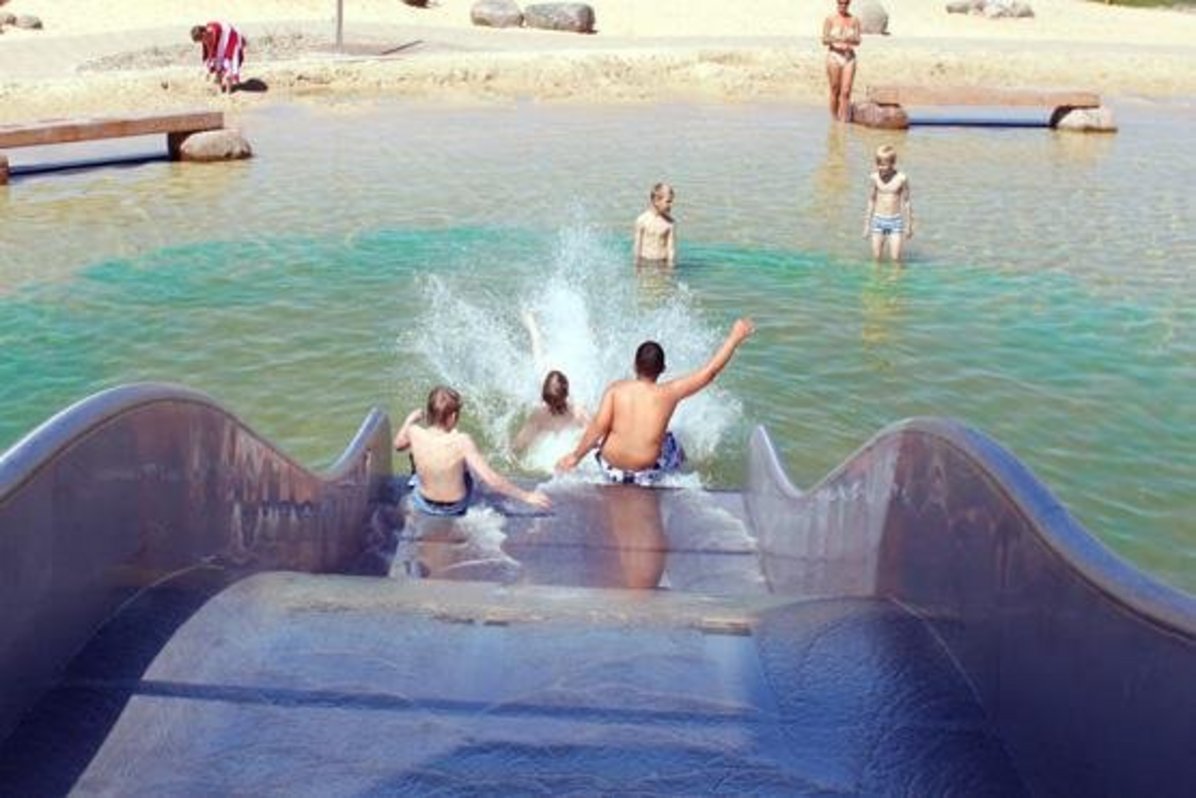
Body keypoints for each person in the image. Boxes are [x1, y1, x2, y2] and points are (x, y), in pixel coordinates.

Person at [556, 318, 756, 485]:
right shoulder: (669, 393)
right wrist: (734, 337)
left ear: (634, 365)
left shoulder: (616, 390)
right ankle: (683, 475)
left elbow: (599, 426)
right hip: (645, 475)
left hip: (611, 469)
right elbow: (709, 372)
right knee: (672, 442)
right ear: (663, 369)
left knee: (602, 429)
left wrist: (575, 457)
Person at [395, 385, 551, 516]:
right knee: (469, 466)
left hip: (423, 503)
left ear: (429, 412)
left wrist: (410, 420)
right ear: (453, 417)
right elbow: (492, 480)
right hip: (454, 508)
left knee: (416, 465)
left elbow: (398, 445)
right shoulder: (462, 440)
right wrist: (526, 496)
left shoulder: (414, 432)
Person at [513, 310, 591, 455]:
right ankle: (530, 320)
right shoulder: (542, 413)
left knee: (539, 346)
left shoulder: (577, 411)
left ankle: (585, 328)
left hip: (560, 378)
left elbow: (517, 446)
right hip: (546, 374)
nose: (553, 408)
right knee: (536, 344)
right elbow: (518, 445)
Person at [863, 144, 914, 262]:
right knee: (876, 258)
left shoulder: (902, 179)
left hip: (895, 221)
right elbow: (871, 201)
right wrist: (866, 225)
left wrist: (909, 225)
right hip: (878, 220)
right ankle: (876, 280)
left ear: (892, 163)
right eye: (878, 164)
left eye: (884, 165)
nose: (880, 167)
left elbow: (907, 202)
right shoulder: (874, 178)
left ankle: (896, 279)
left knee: (896, 258)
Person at [821, 0, 861, 122]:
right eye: (840, 3)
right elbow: (824, 40)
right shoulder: (830, 19)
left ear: (849, 4)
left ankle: (842, 121)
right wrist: (836, 38)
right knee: (835, 88)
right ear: (837, 4)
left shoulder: (854, 20)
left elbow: (858, 40)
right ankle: (834, 119)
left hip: (849, 57)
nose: (843, 6)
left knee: (846, 90)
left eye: (845, 3)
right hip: (834, 55)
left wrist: (851, 39)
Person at [190, 21, 246, 93]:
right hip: (220, 45)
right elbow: (210, 52)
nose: (202, 42)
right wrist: (209, 69)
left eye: (201, 39)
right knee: (217, 66)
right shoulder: (206, 37)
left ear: (203, 33)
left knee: (228, 64)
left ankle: (229, 90)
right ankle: (221, 88)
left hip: (229, 40)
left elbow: (227, 35)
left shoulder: (214, 31)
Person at [633, 182, 677, 267]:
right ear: (656, 201)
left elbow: (671, 249)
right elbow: (637, 246)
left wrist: (671, 266)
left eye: (672, 202)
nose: (671, 205)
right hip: (645, 262)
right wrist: (636, 264)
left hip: (662, 263)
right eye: (668, 201)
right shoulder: (642, 220)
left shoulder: (670, 223)